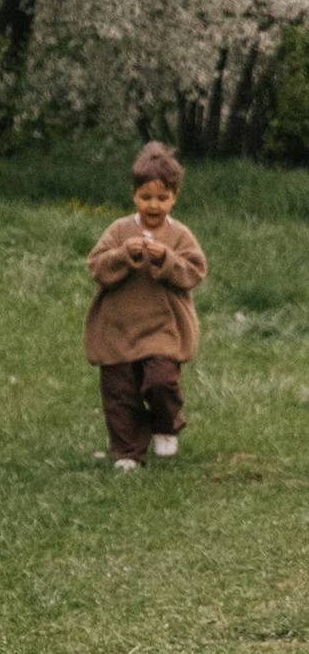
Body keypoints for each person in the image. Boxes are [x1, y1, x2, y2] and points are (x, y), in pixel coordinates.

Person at [85, 142, 206, 471]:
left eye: (162, 198)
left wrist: (166, 259)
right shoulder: (120, 230)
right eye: (146, 197)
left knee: (161, 380)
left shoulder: (179, 235)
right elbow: (96, 266)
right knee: (120, 391)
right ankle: (127, 452)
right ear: (134, 195)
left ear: (175, 197)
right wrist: (124, 254)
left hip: (163, 328)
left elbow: (194, 271)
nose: (154, 205)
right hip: (119, 327)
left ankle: (166, 424)